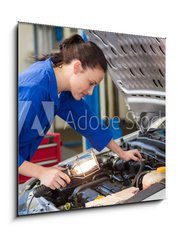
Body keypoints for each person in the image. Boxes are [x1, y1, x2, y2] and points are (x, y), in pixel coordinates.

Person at [18, 34, 142, 190]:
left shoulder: (60, 89)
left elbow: (89, 123)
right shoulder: (34, 89)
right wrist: (41, 172)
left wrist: (122, 153)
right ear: (76, 67)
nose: (90, 92)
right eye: (91, 83)